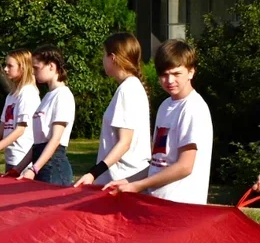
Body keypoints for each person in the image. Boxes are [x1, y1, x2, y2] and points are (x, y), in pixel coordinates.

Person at [108, 40, 213, 204]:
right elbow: (160, 162)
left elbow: (185, 166)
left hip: (181, 207)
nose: (170, 80)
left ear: (191, 72)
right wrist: (129, 180)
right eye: (164, 75)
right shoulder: (165, 106)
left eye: (176, 74)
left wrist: (139, 185)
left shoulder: (193, 108)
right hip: (159, 203)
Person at [75, 33, 151, 189]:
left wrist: (93, 173)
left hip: (121, 180)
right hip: (121, 178)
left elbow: (124, 143)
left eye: (104, 55)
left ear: (113, 58)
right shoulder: (130, 87)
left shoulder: (128, 90)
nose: (103, 60)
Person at [18, 45, 76, 185]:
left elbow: (55, 140)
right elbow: (38, 143)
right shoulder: (48, 96)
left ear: (51, 66)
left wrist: (34, 169)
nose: (33, 72)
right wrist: (18, 168)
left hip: (54, 168)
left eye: (37, 68)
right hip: (42, 165)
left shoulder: (63, 95)